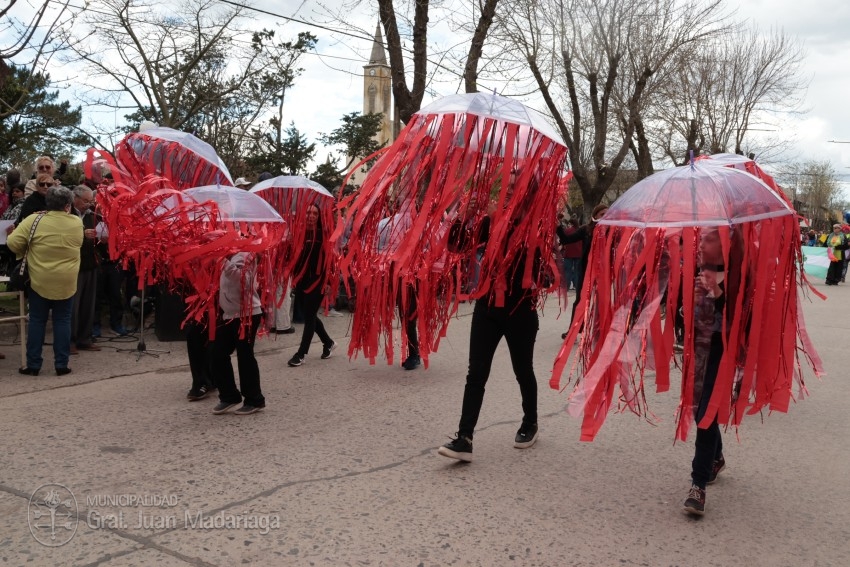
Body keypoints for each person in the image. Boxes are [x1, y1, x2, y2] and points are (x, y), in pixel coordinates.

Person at [438, 200, 541, 462]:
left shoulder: (537, 224)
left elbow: (541, 267)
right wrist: (465, 216)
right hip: (488, 308)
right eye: (509, 186)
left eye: (518, 185)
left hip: (520, 310)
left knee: (523, 370)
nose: (511, 193)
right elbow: (457, 245)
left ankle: (530, 422)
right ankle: (465, 439)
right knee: (476, 373)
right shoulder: (489, 222)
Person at [683, 227, 745, 516]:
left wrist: (717, 291)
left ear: (723, 246)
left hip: (722, 350)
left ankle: (698, 486)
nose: (700, 244)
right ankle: (716, 457)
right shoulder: (696, 270)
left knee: (706, 414)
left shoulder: (739, 273)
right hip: (699, 347)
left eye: (707, 240)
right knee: (700, 410)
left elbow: (740, 318)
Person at [8, 186, 83, 376]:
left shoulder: (34, 220)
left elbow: (13, 243)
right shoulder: (76, 223)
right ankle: (61, 364)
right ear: (68, 205)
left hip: (39, 279)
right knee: (62, 320)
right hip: (66, 280)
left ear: (48, 203)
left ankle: (33, 365)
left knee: (37, 321)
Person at [211, 252, 265, 415]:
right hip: (229, 314)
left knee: (245, 355)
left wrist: (224, 262)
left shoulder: (246, 255)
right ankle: (229, 396)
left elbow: (245, 281)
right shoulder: (226, 256)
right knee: (216, 352)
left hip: (247, 313)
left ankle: (254, 399)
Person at [288, 204, 336, 367]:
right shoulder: (297, 234)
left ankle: (301, 354)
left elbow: (331, 259)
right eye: (308, 212)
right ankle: (328, 342)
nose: (311, 216)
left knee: (309, 317)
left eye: (315, 213)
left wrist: (329, 282)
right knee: (311, 315)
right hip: (302, 281)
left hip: (318, 281)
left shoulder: (324, 235)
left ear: (319, 216)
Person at [377, 203, 421, 371]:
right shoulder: (386, 224)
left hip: (413, 277)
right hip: (394, 276)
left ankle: (413, 353)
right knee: (405, 314)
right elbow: (378, 249)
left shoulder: (419, 224)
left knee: (409, 314)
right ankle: (413, 352)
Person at [557, 203, 608, 337]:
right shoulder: (586, 230)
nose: (605, 217)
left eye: (607, 215)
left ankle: (601, 331)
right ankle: (573, 331)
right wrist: (558, 228)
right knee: (580, 301)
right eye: (602, 214)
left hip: (604, 273)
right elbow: (566, 240)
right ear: (595, 215)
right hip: (586, 272)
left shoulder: (611, 231)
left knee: (603, 301)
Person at [70, 186, 101, 353]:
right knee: (73, 306)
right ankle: (70, 340)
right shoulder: (68, 213)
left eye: (91, 201)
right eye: (85, 201)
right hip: (74, 265)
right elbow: (65, 236)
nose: (88, 204)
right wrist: (82, 234)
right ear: (75, 198)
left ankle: (85, 338)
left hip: (90, 263)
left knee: (88, 305)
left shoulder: (93, 214)